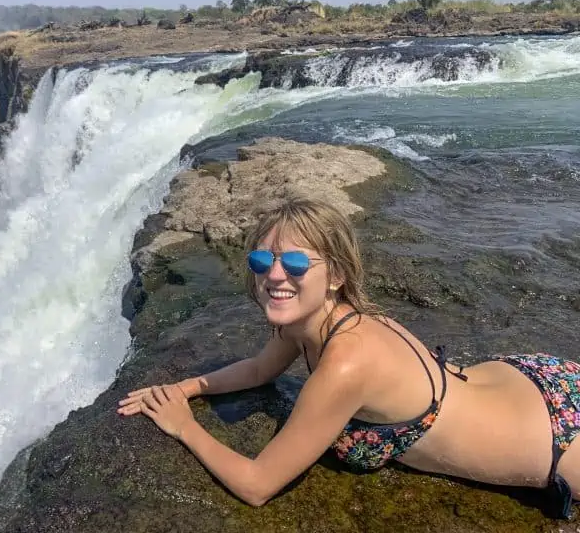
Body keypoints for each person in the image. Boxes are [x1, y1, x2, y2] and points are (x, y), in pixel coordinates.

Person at [117, 196, 580, 518]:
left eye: (296, 264)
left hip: (554, 440)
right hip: (531, 381)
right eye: (263, 261)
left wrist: (185, 425)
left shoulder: (346, 361)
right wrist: (187, 387)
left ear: (335, 274)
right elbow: (260, 370)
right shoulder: (315, 320)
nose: (275, 275)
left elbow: (257, 486)